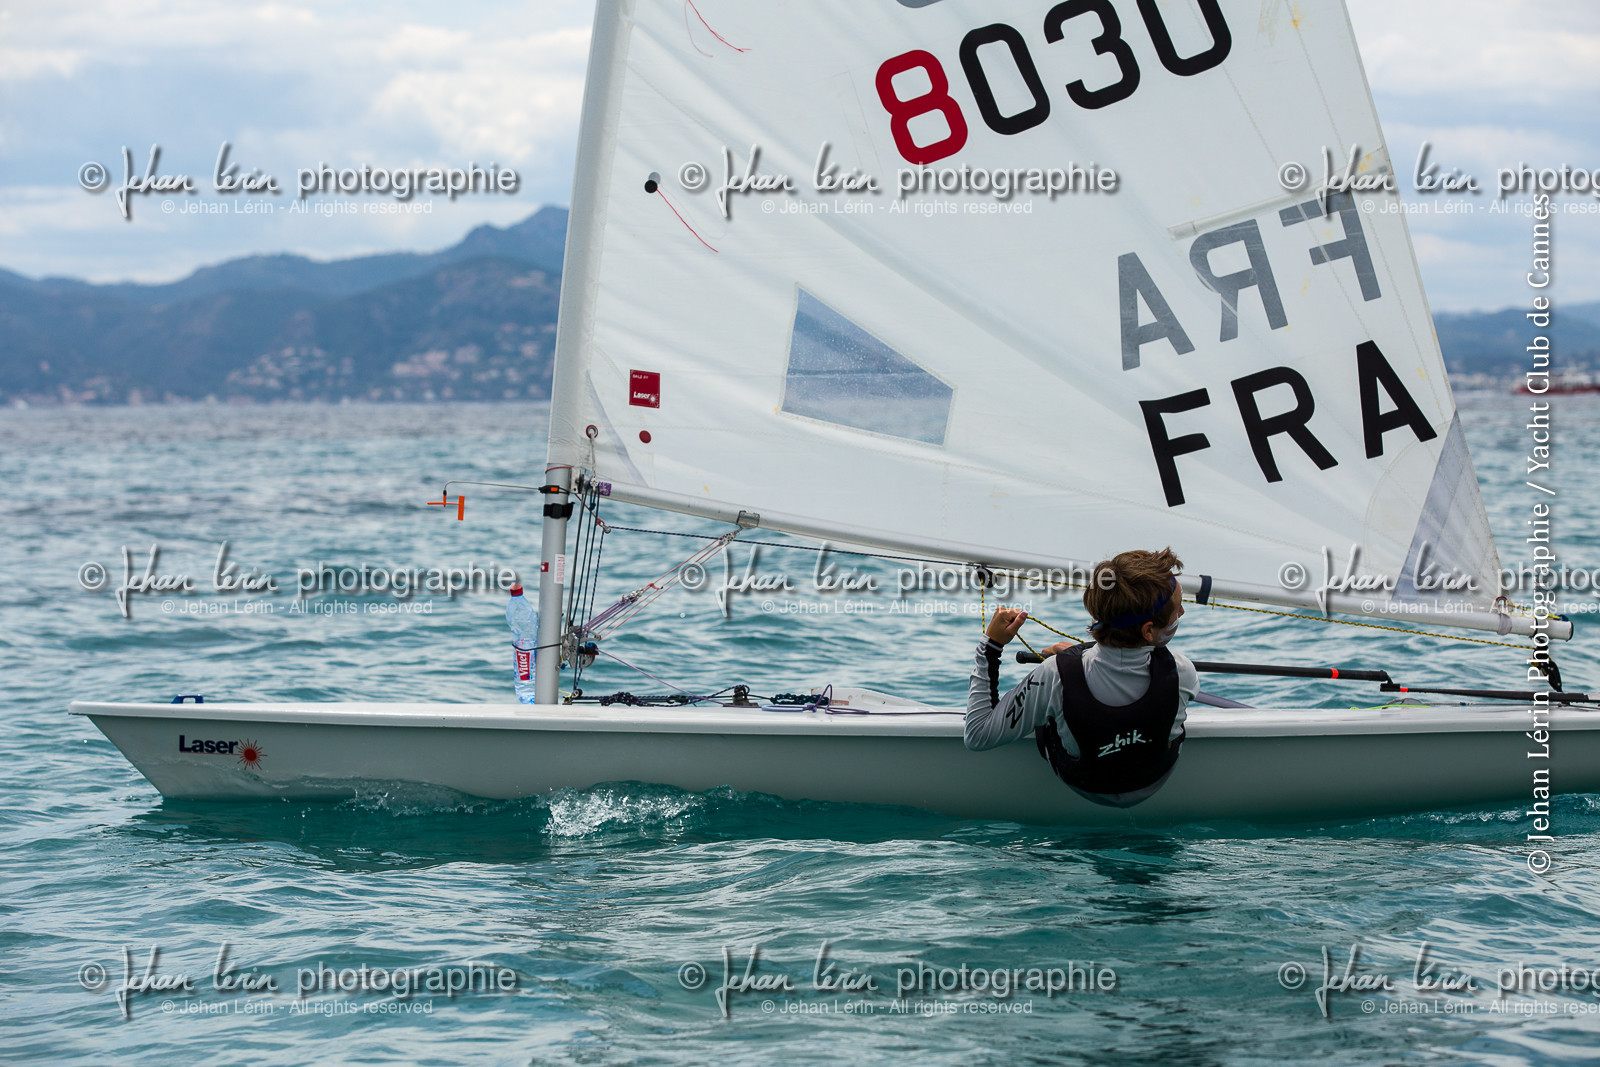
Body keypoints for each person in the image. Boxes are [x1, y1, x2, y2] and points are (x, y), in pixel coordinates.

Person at [965, 548, 1198, 808]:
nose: (1181, 612)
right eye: (1177, 608)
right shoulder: (1182, 671)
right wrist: (1076, 656)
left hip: (1083, 785)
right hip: (1154, 780)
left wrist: (991, 646)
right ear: (1148, 631)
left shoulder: (1055, 674)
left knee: (1053, 702)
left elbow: (978, 735)